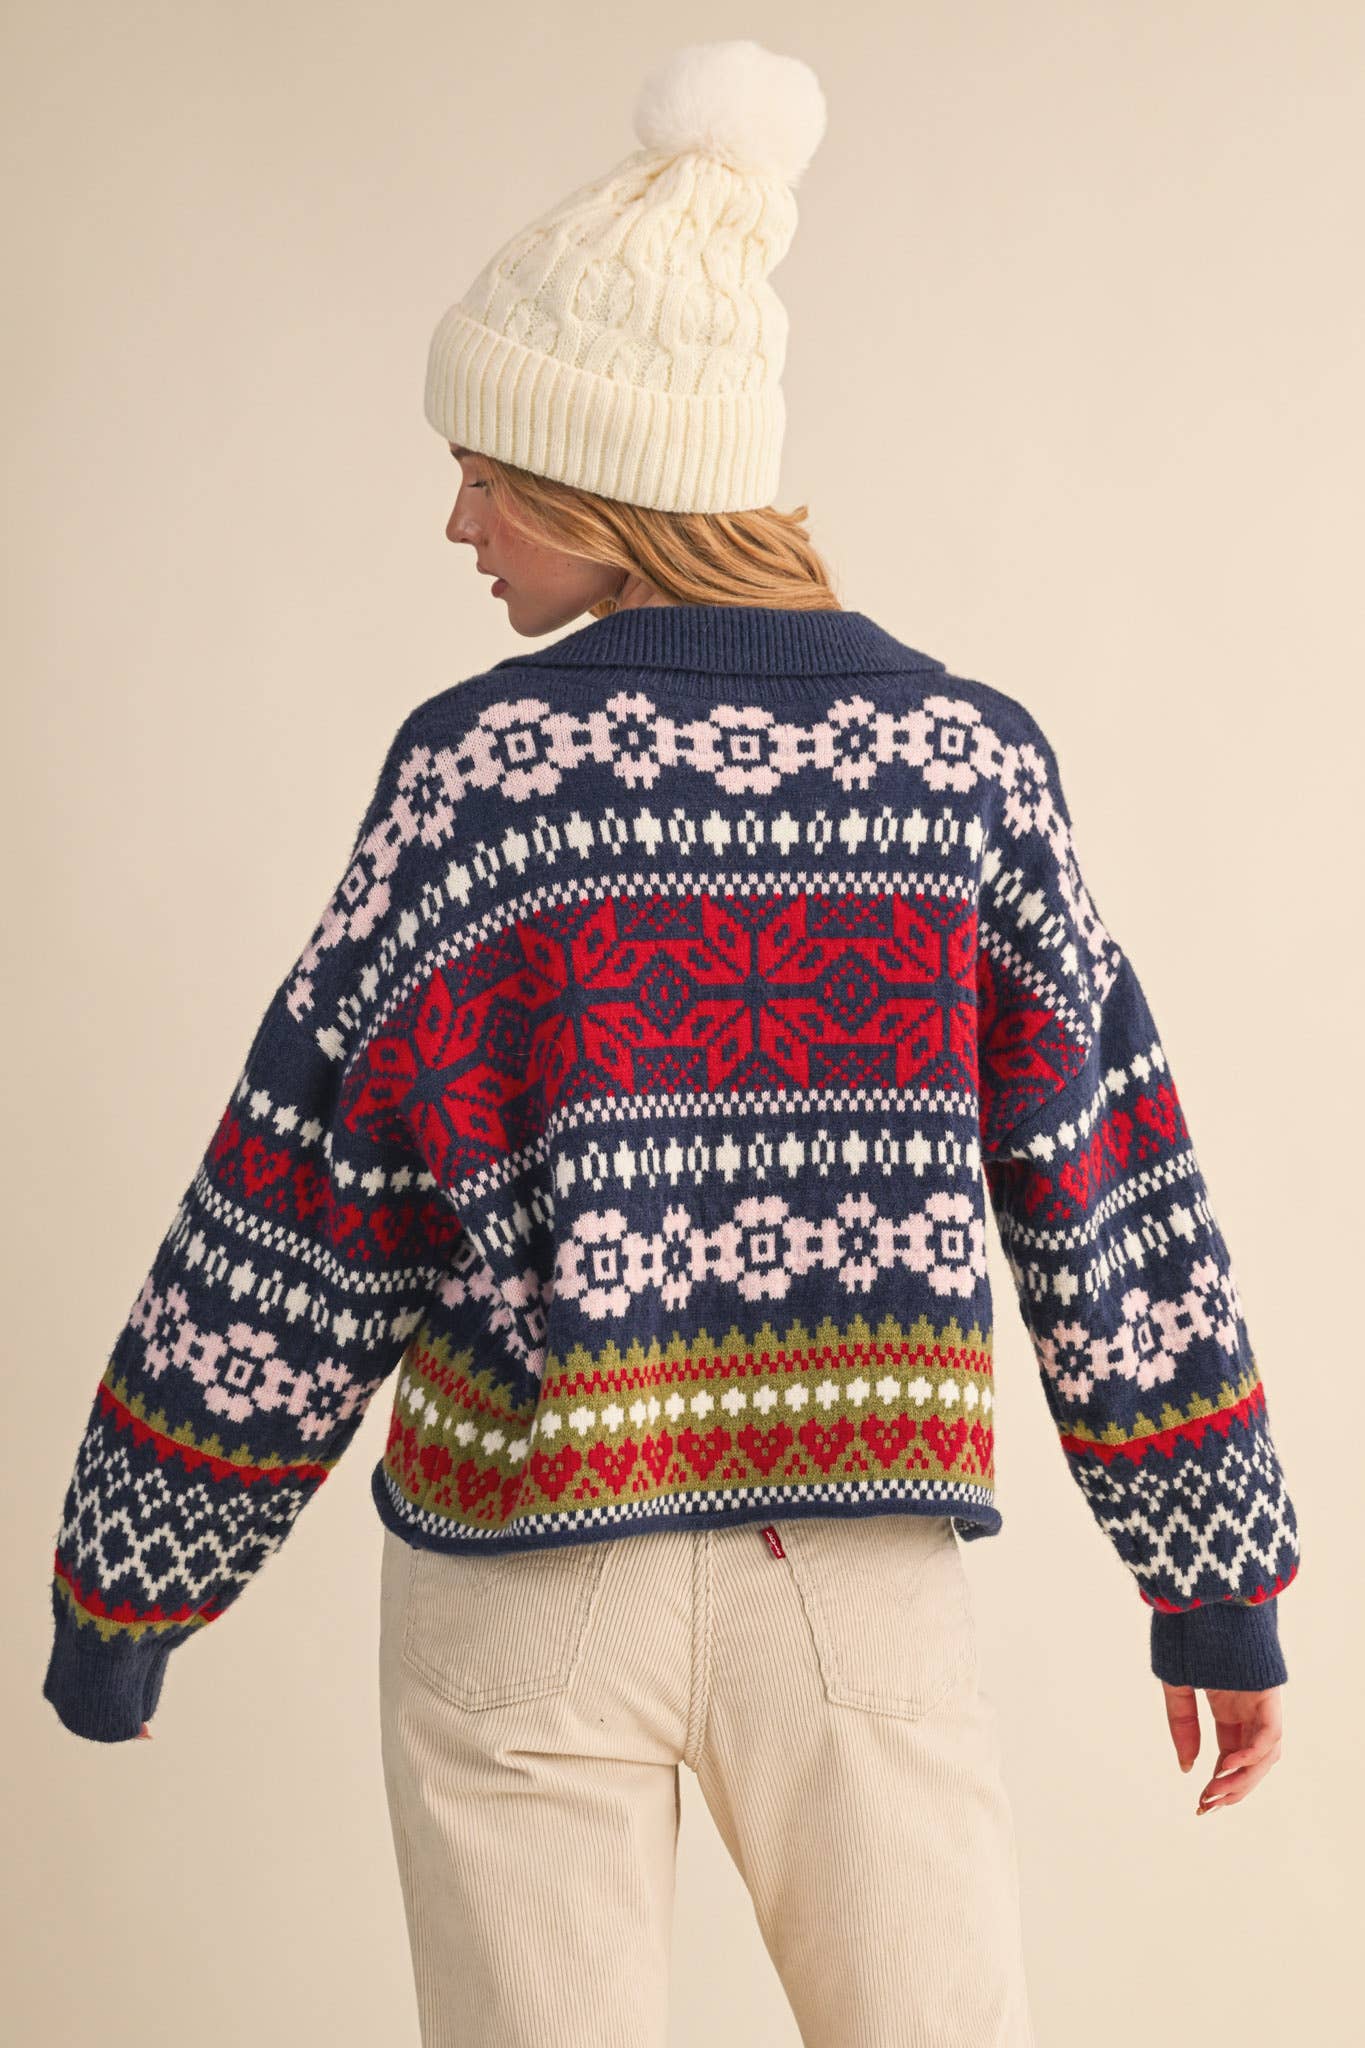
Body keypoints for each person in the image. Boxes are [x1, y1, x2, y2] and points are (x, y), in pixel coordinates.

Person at [43, 37, 1297, 2048]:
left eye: (487, 469)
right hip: (853, 1566)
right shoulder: (964, 767)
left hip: (523, 1566)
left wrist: (131, 1582)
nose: (455, 517)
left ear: (598, 476)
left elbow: (305, 1205)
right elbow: (1103, 1182)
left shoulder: (480, 778)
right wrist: (1205, 1573)